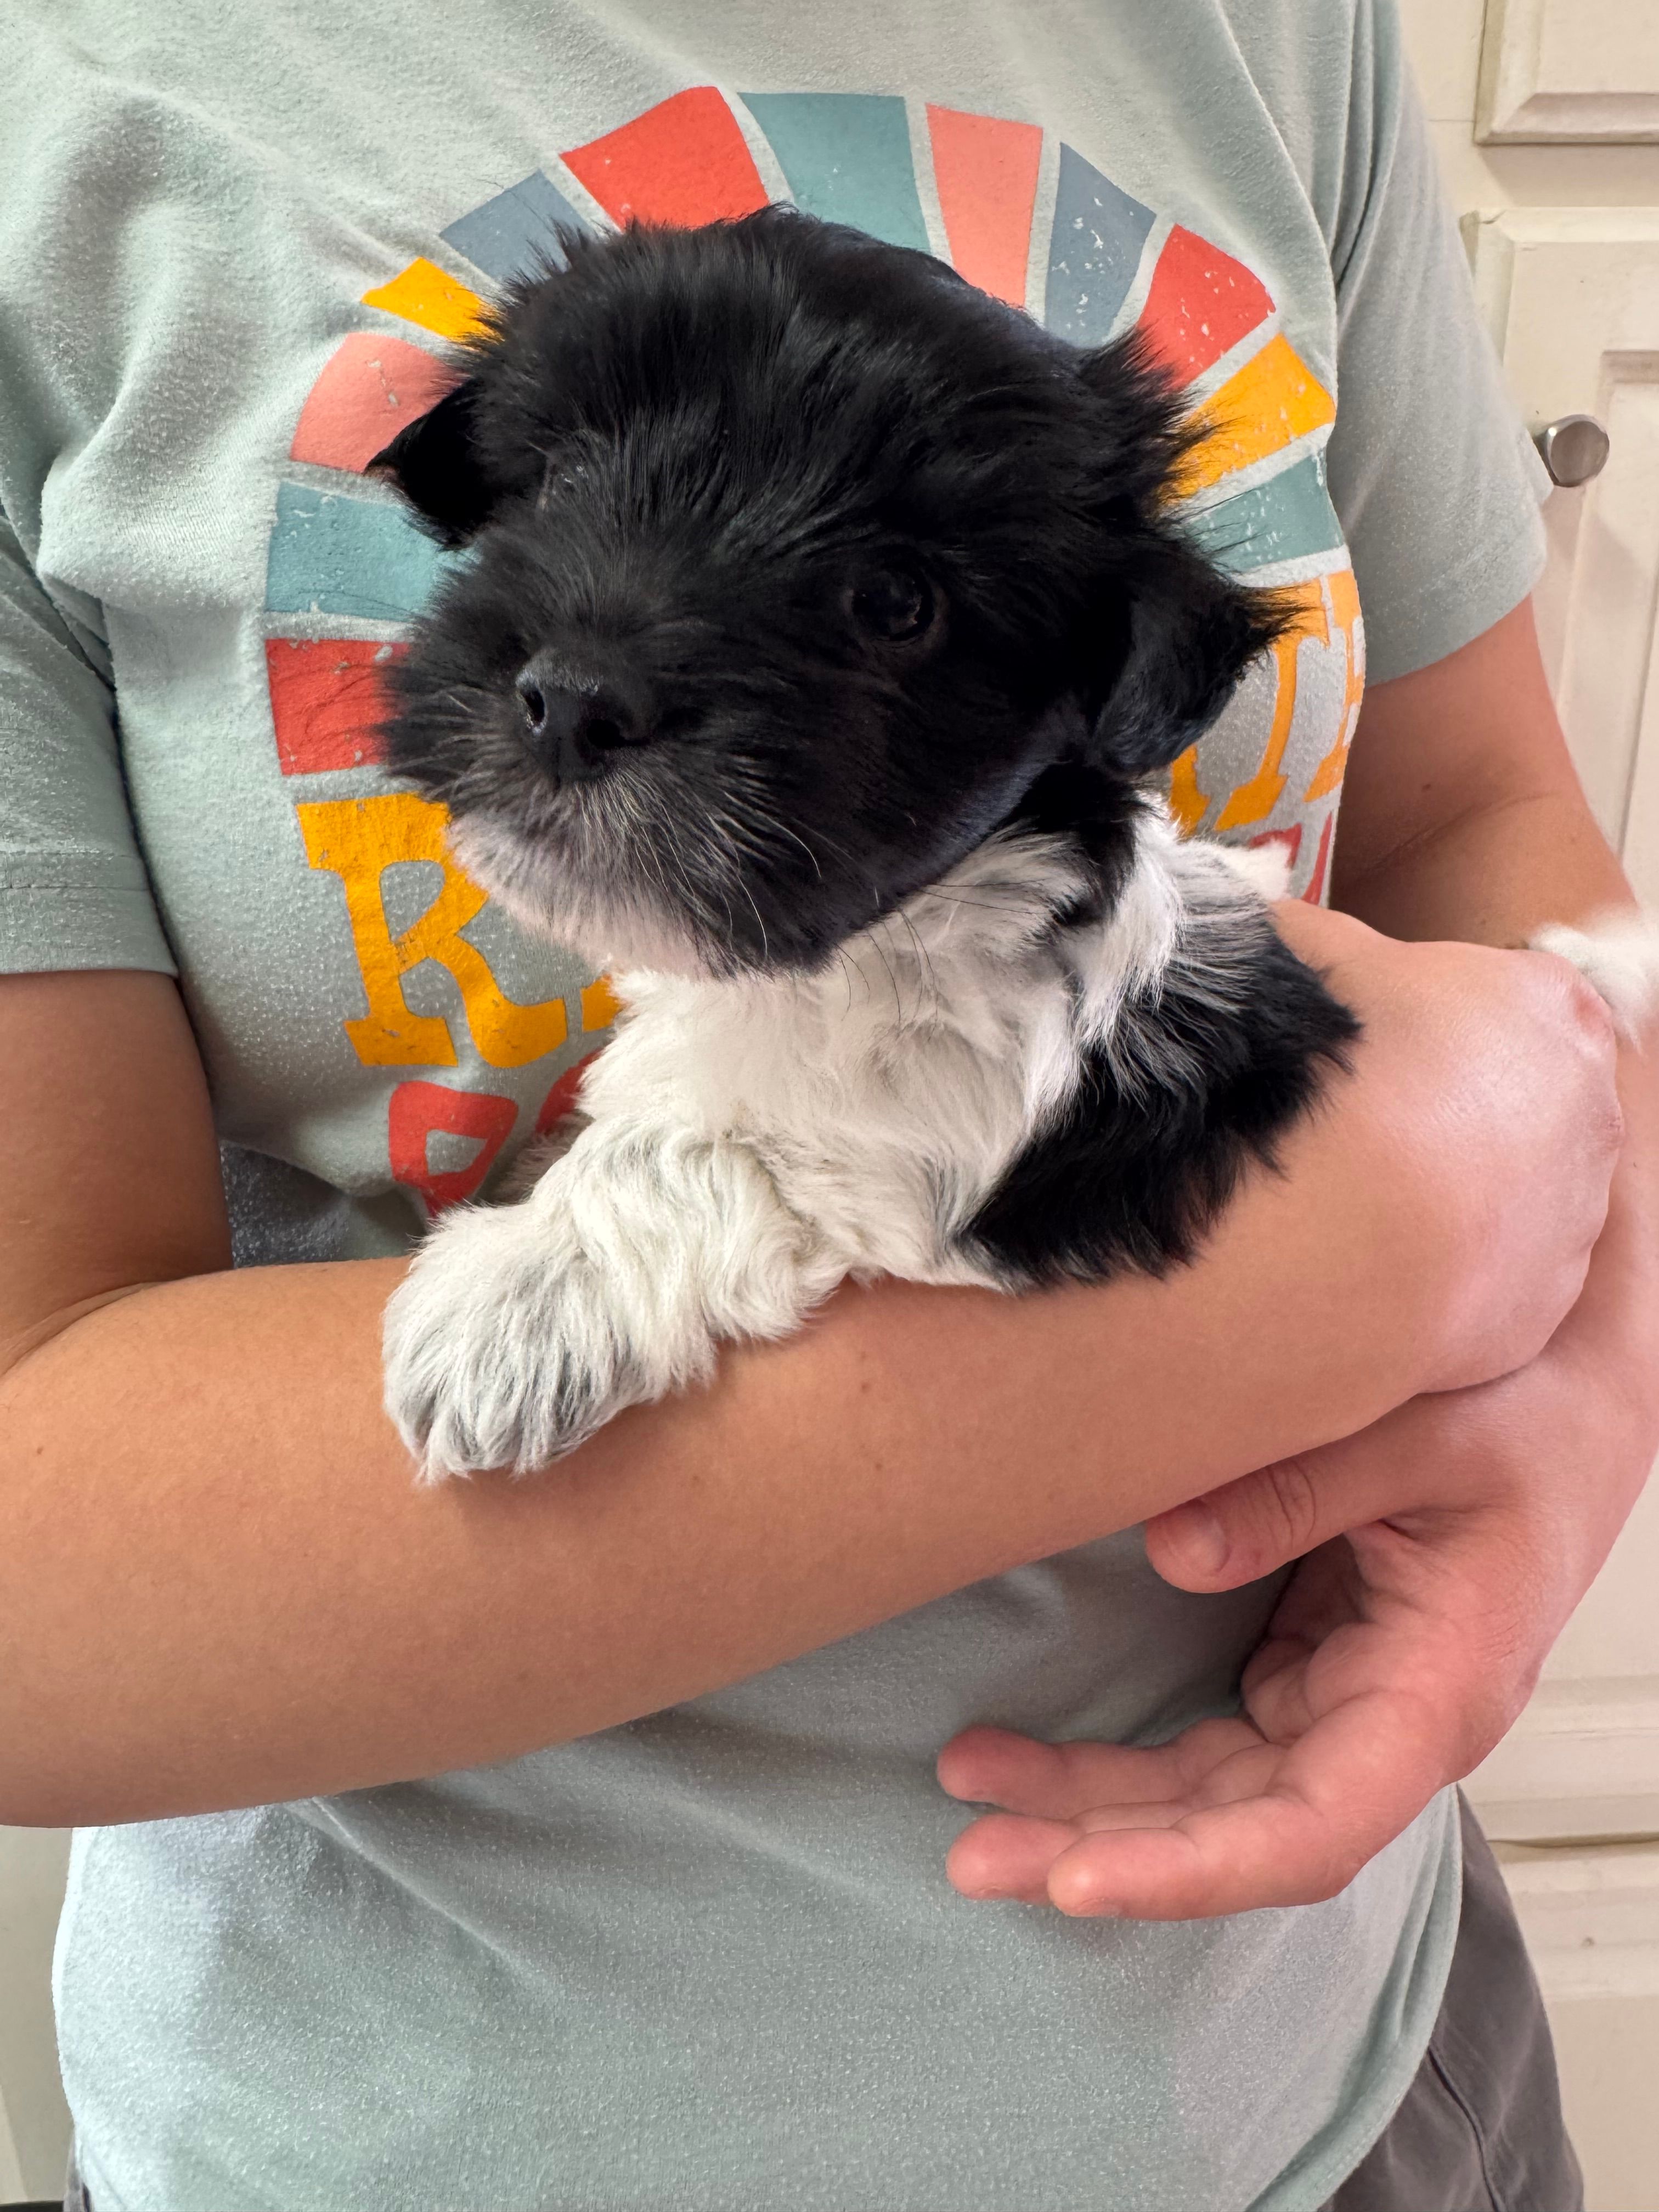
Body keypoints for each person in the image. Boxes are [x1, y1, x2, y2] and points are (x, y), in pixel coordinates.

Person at [0, 2, 1651, 2207]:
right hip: (413, 2136)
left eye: (881, 600)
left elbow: (1498, 843)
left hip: (1327, 2069)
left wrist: (1588, 1363)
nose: (601, 652)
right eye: (571, 477)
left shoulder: (1278, 29)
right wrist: (1391, 1248)